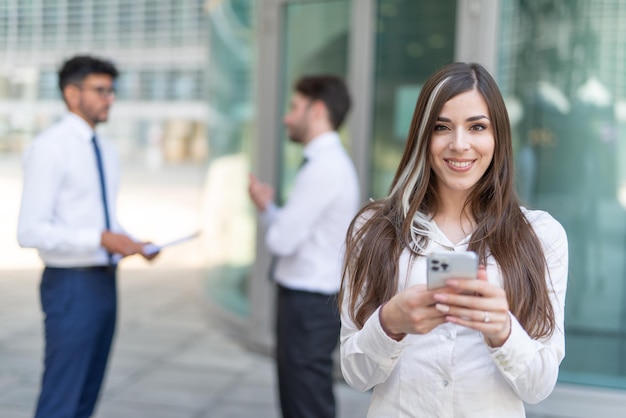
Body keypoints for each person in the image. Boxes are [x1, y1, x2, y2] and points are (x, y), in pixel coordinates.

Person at [339, 62, 568, 417]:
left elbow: (538, 387)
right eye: (441, 127)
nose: (459, 144)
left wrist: (503, 332)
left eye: (477, 126)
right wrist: (389, 324)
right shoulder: (373, 229)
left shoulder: (540, 236)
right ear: (422, 136)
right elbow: (355, 374)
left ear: (498, 138)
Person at [17, 55, 157, 418]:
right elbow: (30, 230)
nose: (110, 98)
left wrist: (132, 242)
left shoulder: (106, 150)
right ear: (71, 93)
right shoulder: (51, 147)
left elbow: (102, 219)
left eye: (112, 91)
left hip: (104, 282)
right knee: (63, 395)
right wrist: (98, 239)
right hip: (70, 285)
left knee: (87, 392)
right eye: (100, 90)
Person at [248, 75, 360, 418]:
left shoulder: (324, 167)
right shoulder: (325, 163)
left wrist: (270, 215)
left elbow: (283, 239)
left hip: (309, 305)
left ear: (318, 110)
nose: (287, 117)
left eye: (295, 107)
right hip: (310, 302)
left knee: (306, 403)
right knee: (303, 398)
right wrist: (269, 209)